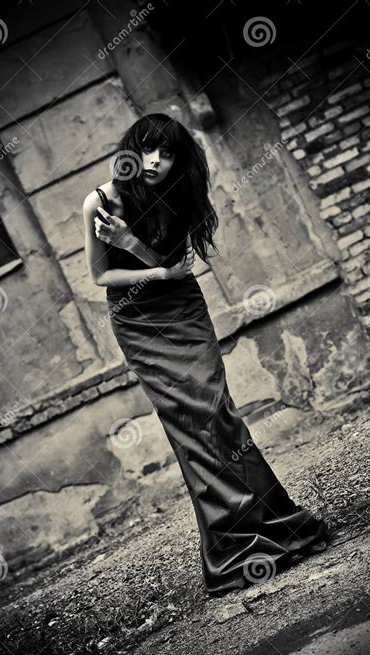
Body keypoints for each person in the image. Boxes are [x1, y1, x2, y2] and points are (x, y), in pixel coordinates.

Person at [83, 113, 329, 597]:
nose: (156, 161)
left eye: (168, 153)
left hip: (182, 310)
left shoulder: (181, 194)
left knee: (219, 413)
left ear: (181, 160)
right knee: (187, 422)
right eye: (148, 149)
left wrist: (129, 243)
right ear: (132, 150)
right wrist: (148, 269)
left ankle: (280, 526)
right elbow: (99, 278)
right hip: (137, 321)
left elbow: (174, 268)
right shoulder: (100, 198)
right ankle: (233, 552)